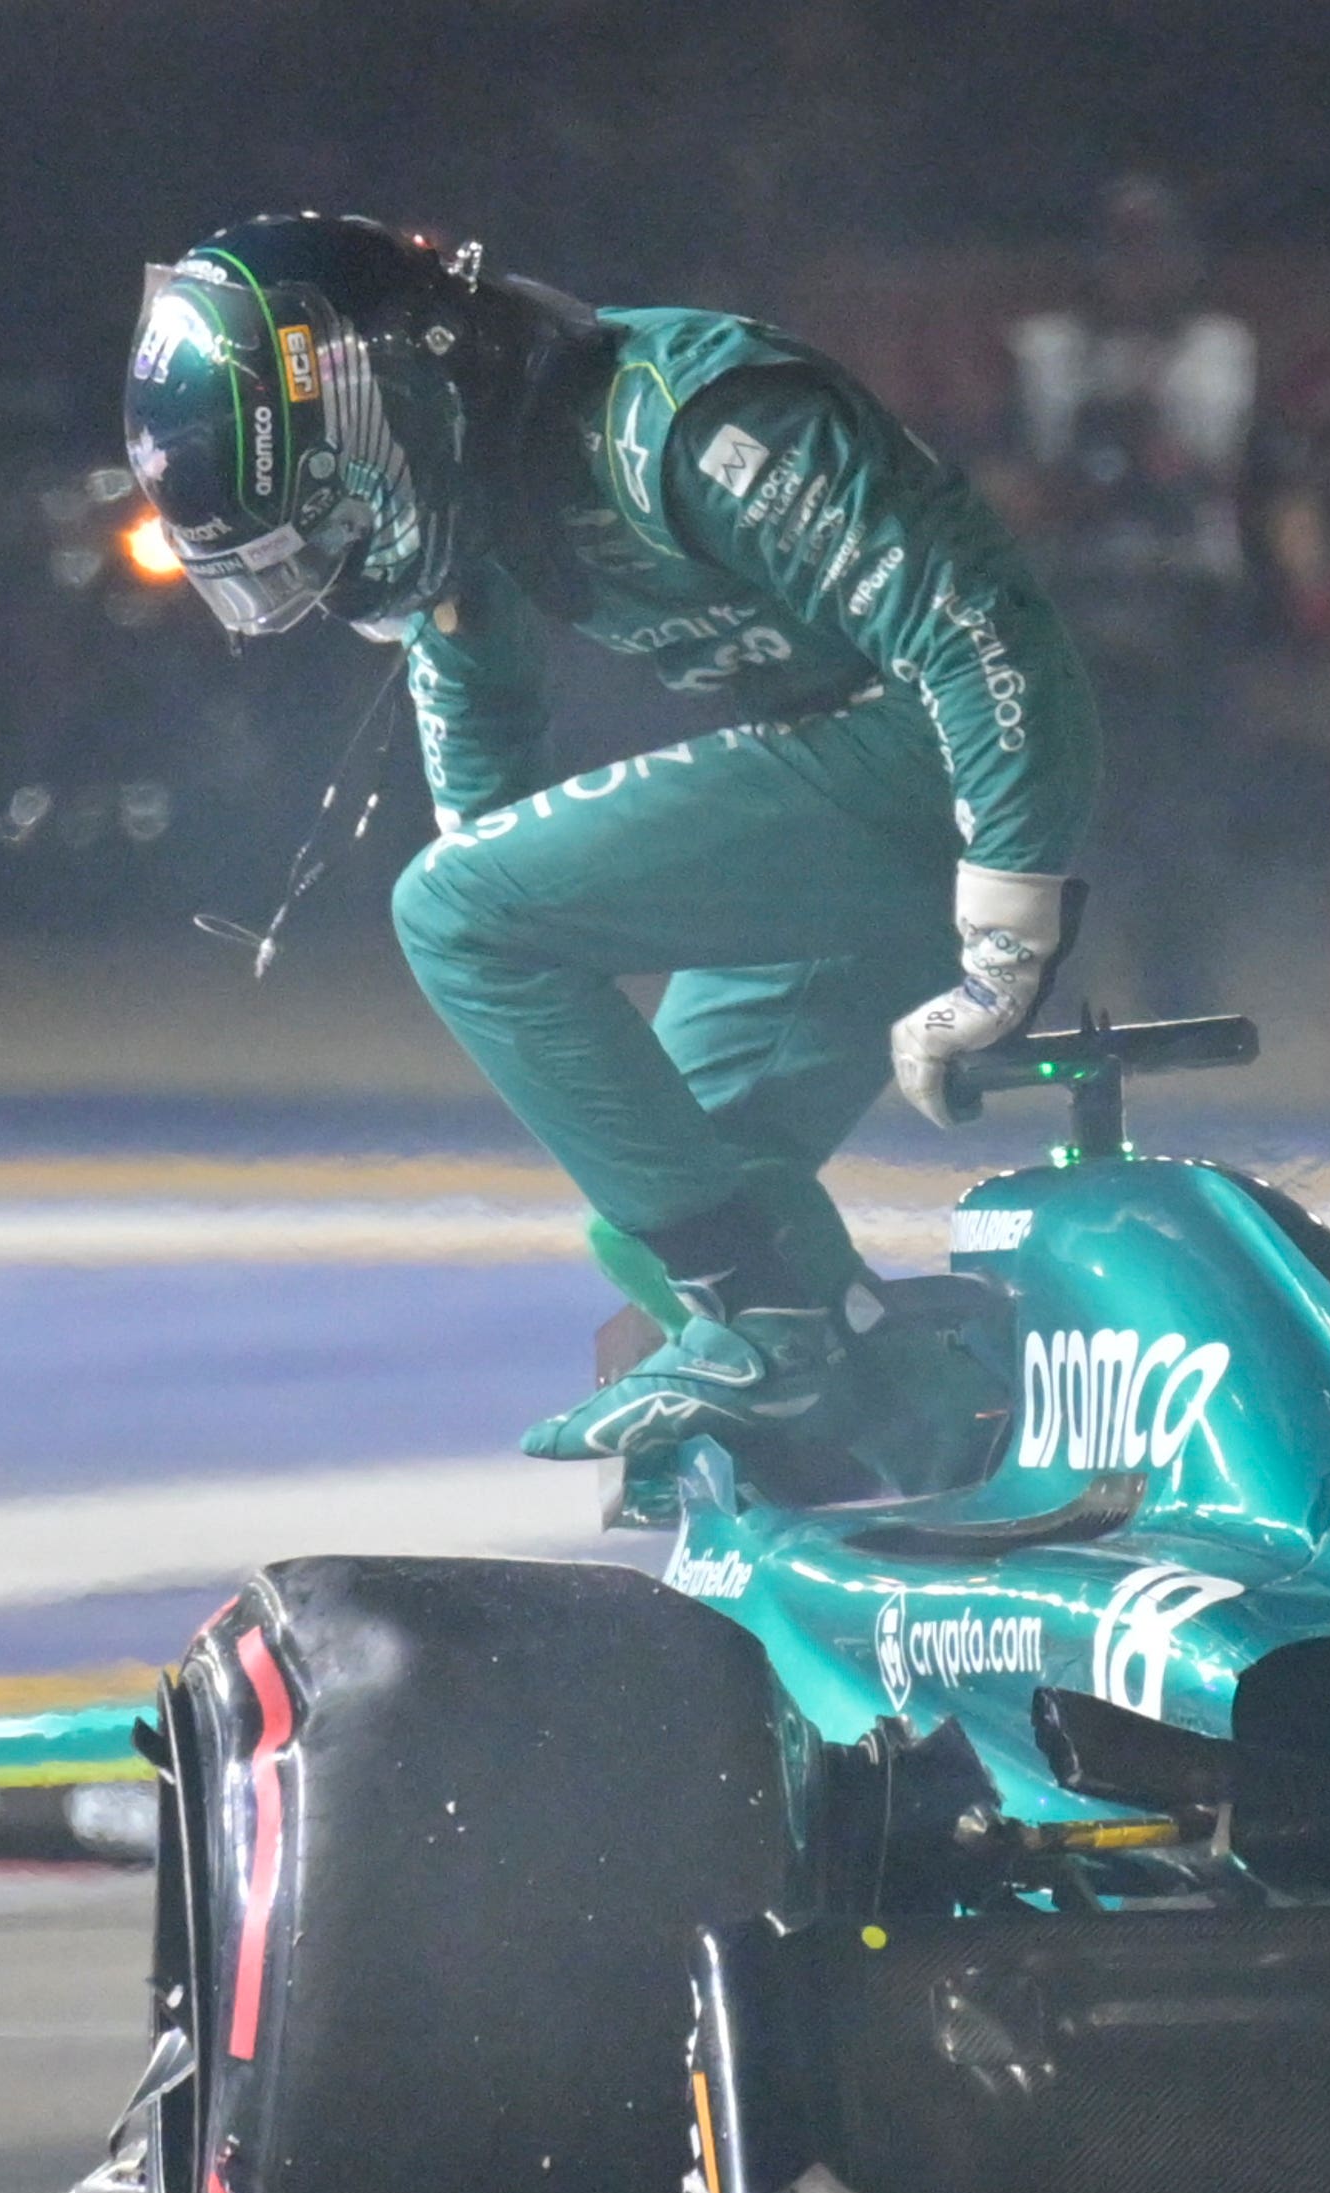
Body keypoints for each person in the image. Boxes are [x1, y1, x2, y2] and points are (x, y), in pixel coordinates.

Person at [124, 214, 1098, 1467]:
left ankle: (781, 1337)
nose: (349, 549)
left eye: (341, 498)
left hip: (937, 758)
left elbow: (981, 629)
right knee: (659, 1188)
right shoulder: (476, 462)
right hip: (870, 785)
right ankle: (902, 1411)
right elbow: (481, 760)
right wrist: (533, 937)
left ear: (391, 386)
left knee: (451, 917)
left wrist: (1008, 934)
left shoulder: (681, 415)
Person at [998, 177, 1257, 1015]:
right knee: (1065, 820)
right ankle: (1054, 995)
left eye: (1157, 251)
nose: (1140, 272)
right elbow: (1004, 479)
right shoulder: (1045, 352)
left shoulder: (1223, 352)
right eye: (1123, 250)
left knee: (1180, 819)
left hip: (1186, 609)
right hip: (1073, 603)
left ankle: (1178, 1000)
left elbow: (1246, 478)